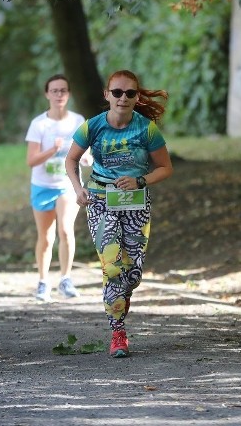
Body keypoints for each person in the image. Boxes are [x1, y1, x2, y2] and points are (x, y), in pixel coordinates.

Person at [65, 70, 173, 358]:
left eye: (129, 93)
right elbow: (71, 159)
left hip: (136, 203)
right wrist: (78, 189)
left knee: (132, 273)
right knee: (113, 267)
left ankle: (119, 299)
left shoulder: (146, 129)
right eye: (117, 92)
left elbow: (165, 168)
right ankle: (117, 331)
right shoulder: (93, 126)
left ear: (137, 97)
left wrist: (141, 180)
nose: (122, 98)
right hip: (101, 200)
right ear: (106, 94)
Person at [25, 74, 92, 302]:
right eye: (54, 91)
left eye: (63, 90)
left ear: (68, 94)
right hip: (43, 185)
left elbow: (85, 150)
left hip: (68, 184)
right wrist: (52, 151)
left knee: (65, 229)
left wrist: (86, 158)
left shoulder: (77, 120)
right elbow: (31, 160)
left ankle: (65, 279)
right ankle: (43, 282)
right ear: (47, 94)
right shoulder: (39, 124)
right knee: (45, 237)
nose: (59, 95)